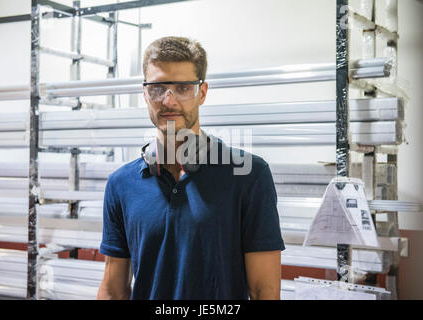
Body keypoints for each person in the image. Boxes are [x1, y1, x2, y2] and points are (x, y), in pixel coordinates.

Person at [97, 36, 285, 300]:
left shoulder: (249, 176)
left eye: (183, 88)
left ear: (202, 93)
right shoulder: (121, 184)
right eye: (157, 88)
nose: (169, 100)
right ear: (145, 94)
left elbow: (263, 290)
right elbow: (112, 289)